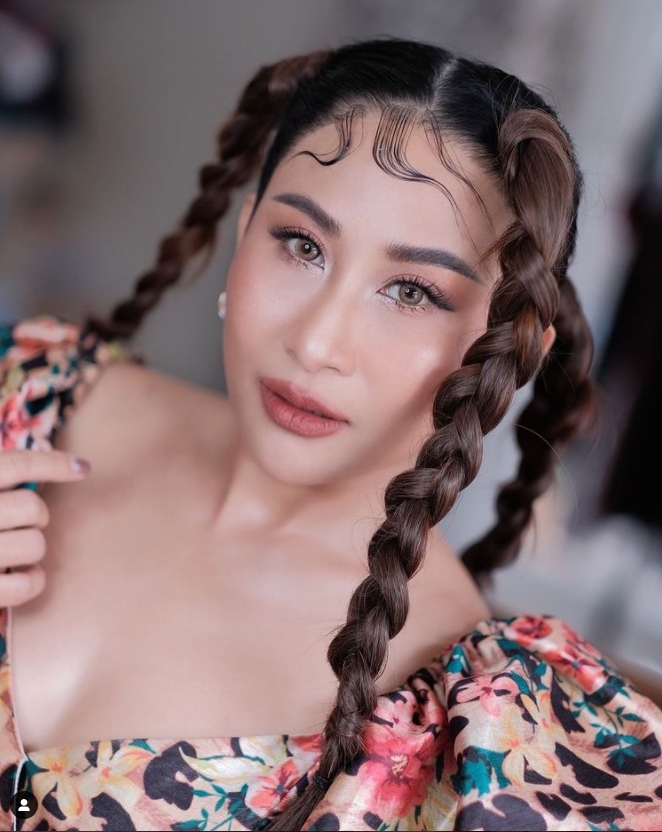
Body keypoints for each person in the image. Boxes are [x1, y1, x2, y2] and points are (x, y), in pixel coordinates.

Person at [0, 36, 661, 832]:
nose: (316, 343)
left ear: (511, 351)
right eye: (302, 245)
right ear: (246, 229)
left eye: (412, 291)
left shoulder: (480, 743)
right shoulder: (24, 392)